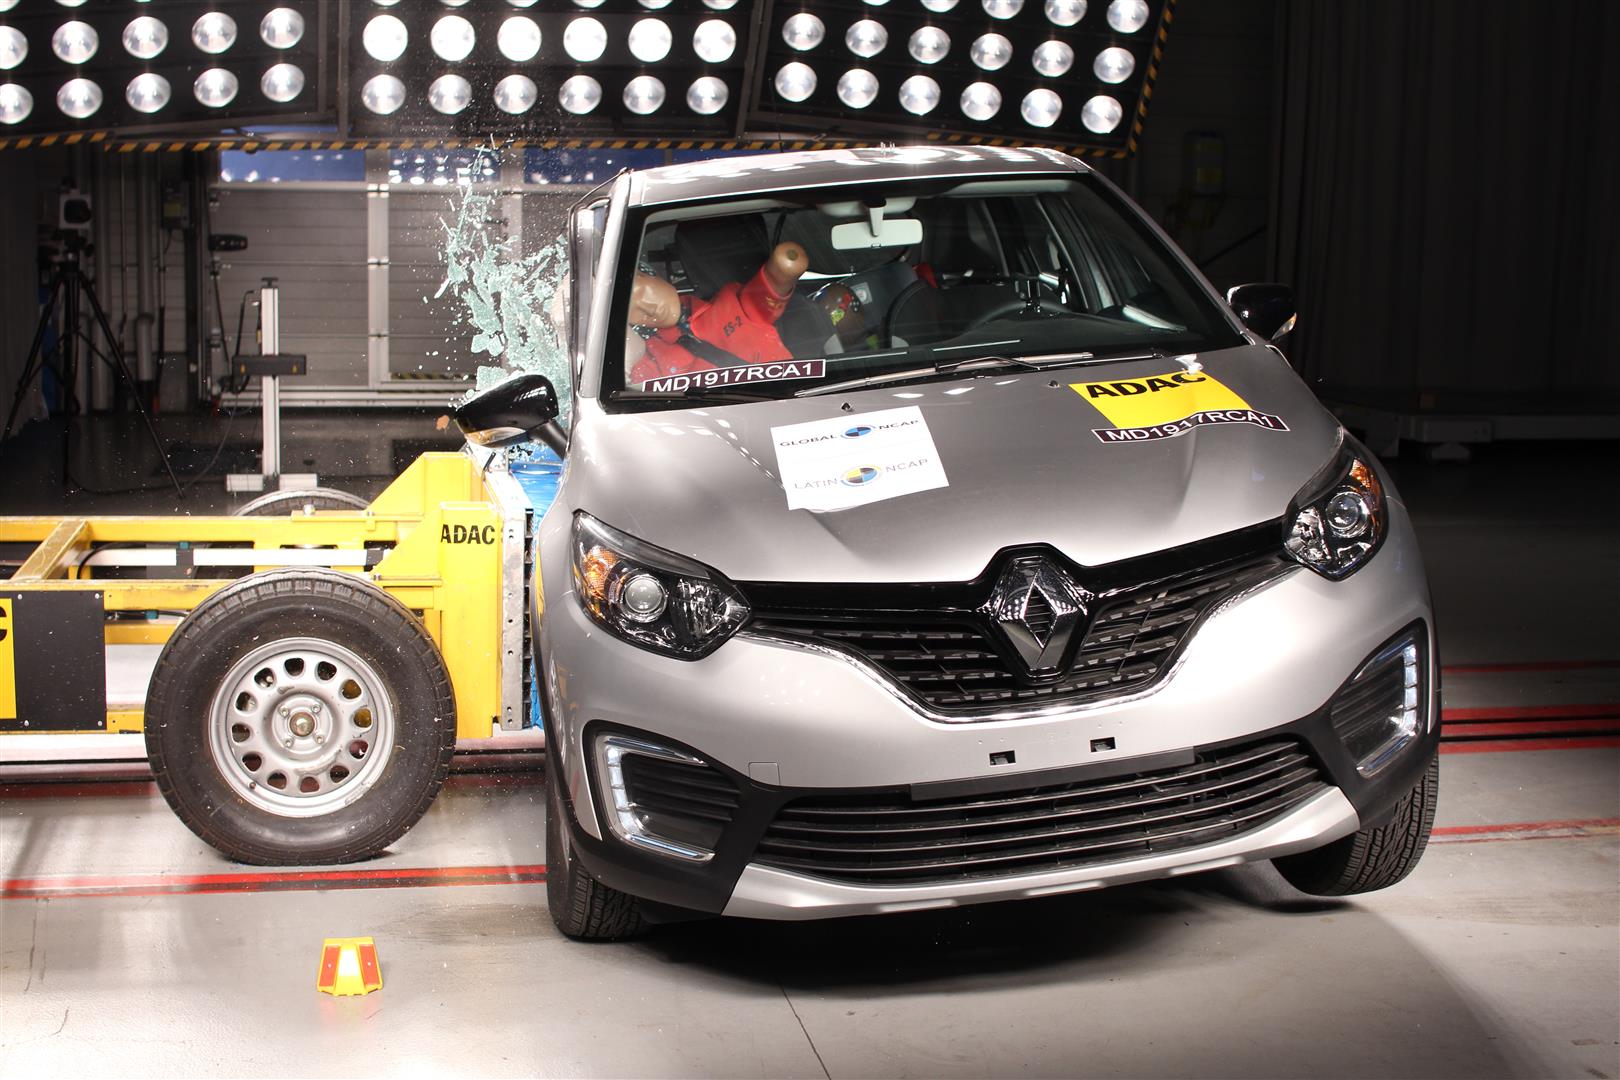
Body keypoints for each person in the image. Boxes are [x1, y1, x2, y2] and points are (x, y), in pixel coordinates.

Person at [626, 241, 808, 385]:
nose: (648, 308)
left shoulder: (729, 300)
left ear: (652, 274)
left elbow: (762, 299)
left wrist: (780, 273)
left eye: (640, 292)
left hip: (792, 394)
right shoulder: (650, 362)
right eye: (634, 313)